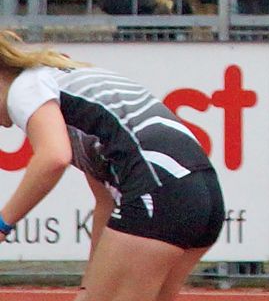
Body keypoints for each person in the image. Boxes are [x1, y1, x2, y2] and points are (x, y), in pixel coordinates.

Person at [0, 31, 223, 300]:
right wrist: (89, 286)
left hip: (159, 188)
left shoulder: (25, 87)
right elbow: (106, 202)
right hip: (202, 194)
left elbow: (53, 157)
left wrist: (3, 223)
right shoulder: (60, 83)